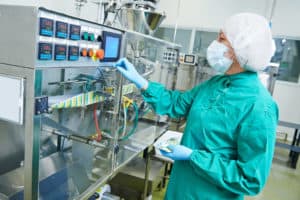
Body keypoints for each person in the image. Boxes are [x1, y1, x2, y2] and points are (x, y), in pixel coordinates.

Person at [114, 13, 278, 200]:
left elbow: (250, 178)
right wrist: (142, 82)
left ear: (239, 49)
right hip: (180, 188)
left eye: (221, 39)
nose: (215, 44)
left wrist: (193, 156)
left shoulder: (260, 106)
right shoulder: (215, 84)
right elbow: (176, 104)